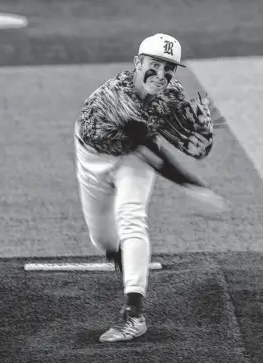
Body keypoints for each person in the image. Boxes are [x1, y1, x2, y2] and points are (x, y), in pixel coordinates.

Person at [74, 33, 225, 343]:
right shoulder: (117, 96)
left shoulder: (171, 93)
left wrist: (201, 135)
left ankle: (133, 313)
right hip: (94, 157)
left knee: (131, 216)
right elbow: (149, 149)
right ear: (137, 63)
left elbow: (188, 145)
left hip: (133, 159)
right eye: (154, 65)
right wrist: (192, 186)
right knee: (102, 237)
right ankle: (127, 259)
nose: (161, 75)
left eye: (169, 68)